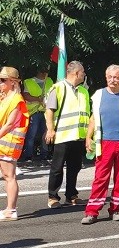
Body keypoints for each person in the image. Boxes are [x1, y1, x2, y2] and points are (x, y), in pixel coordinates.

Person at [81, 65, 119, 224]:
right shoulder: (98, 95)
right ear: (106, 77)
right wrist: (88, 137)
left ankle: (116, 209)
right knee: (100, 178)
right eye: (110, 77)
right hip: (104, 142)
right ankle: (92, 212)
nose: (113, 80)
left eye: (116, 77)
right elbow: (93, 118)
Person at [45, 61, 89, 209]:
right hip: (62, 135)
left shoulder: (83, 91)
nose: (84, 74)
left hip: (78, 136)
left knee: (74, 167)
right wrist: (50, 130)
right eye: (82, 72)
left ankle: (71, 196)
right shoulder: (58, 88)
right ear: (76, 73)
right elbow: (50, 110)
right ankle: (53, 197)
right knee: (57, 168)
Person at [0, 67, 29, 221]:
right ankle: (9, 209)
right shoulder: (5, 97)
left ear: (13, 82)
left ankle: (11, 210)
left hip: (8, 143)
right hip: (4, 142)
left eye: (3, 80)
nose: (0, 83)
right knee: (7, 176)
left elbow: (10, 124)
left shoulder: (16, 99)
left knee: (9, 176)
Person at [21, 66, 54, 163]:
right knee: (32, 135)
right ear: (40, 72)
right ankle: (29, 156)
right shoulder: (29, 82)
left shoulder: (49, 81)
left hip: (46, 111)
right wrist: (38, 99)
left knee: (46, 134)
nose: (45, 74)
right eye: (44, 72)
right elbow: (26, 95)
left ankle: (45, 155)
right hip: (34, 112)